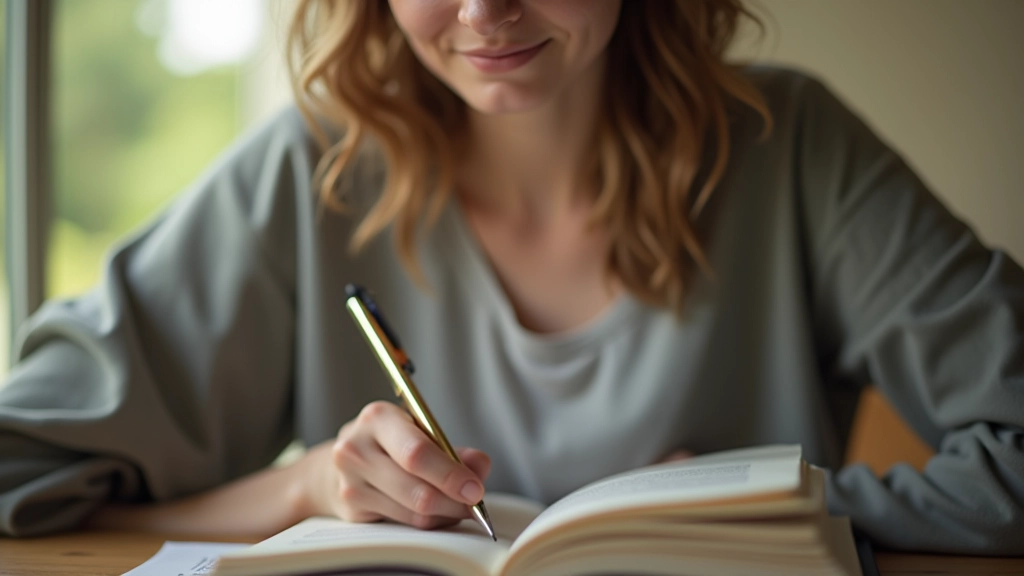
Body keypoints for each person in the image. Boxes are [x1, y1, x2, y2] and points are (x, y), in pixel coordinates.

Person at [1, 0, 1022, 555]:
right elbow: (19, 464)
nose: (484, 11)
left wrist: (772, 512)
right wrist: (307, 487)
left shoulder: (789, 146)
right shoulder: (308, 175)